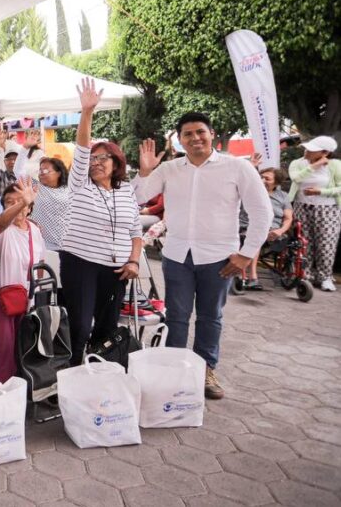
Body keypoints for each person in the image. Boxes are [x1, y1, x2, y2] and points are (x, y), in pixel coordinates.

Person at [134, 112, 271, 399]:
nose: (195, 138)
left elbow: (262, 212)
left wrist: (246, 254)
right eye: (188, 134)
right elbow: (138, 198)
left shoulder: (237, 167)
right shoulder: (169, 169)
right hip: (177, 256)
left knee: (210, 316)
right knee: (177, 317)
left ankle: (205, 369)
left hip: (219, 258)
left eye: (200, 132)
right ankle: (173, 372)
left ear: (212, 134)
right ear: (180, 139)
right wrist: (145, 171)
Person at [60, 79, 142, 366]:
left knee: (106, 328)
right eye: (92, 159)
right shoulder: (80, 184)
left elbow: (136, 231)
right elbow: (82, 149)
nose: (95, 162)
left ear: (116, 162)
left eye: (102, 158)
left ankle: (100, 373)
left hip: (117, 270)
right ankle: (73, 373)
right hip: (81, 263)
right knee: (81, 325)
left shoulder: (126, 189)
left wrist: (134, 261)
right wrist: (87, 112)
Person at [0, 180, 43, 382]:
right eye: (9, 202)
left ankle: (23, 389)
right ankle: (3, 392)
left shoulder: (35, 230)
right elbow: (1, 223)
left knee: (25, 350)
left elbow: (40, 263)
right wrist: (22, 202)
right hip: (2, 301)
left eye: (20, 202)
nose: (15, 206)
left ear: (30, 207)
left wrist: (36, 294)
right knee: (4, 352)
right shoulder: (0, 227)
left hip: (27, 301)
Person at [288, 135, 341, 291]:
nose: (306, 151)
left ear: (325, 153)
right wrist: (315, 165)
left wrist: (321, 191)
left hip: (328, 209)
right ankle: (305, 275)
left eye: (312, 150)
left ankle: (325, 277)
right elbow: (296, 178)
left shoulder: (335, 165)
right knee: (304, 242)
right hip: (301, 206)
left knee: (326, 243)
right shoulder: (297, 163)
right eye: (307, 148)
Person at [240, 168, 293, 290]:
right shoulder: (249, 191)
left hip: (273, 230)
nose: (262, 180)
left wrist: (280, 231)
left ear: (276, 183)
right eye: (261, 177)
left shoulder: (283, 196)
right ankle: (253, 277)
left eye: (267, 179)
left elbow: (288, 218)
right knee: (257, 236)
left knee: (261, 235)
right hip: (249, 227)